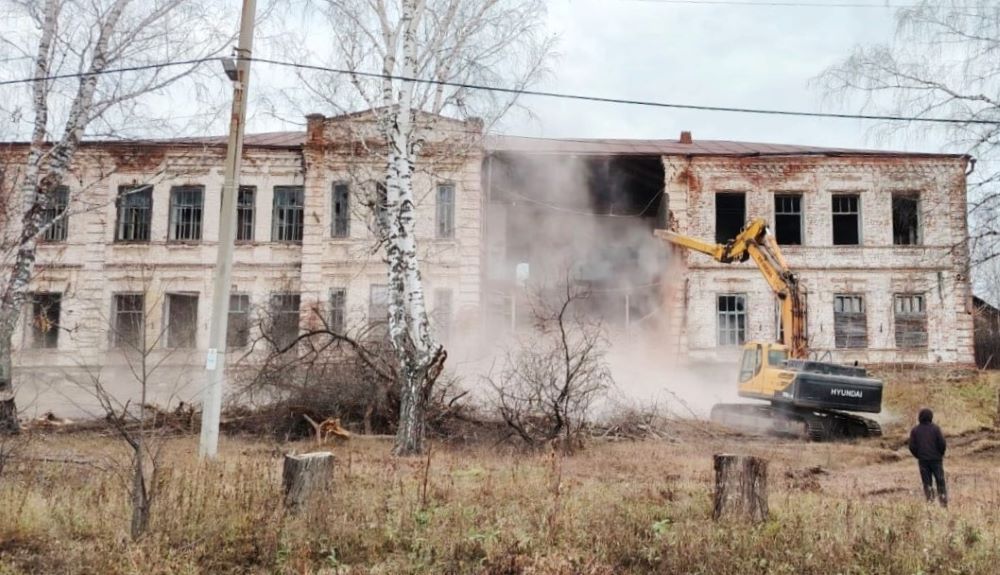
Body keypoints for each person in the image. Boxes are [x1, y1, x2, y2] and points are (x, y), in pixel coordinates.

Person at [908, 408, 947, 507]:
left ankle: (930, 502)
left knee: (927, 483)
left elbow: (912, 446)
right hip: (936, 460)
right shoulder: (936, 429)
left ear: (920, 417)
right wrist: (940, 454)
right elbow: (942, 443)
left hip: (923, 461)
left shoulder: (915, 430)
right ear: (931, 417)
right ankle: (943, 503)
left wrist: (919, 455)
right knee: (940, 481)